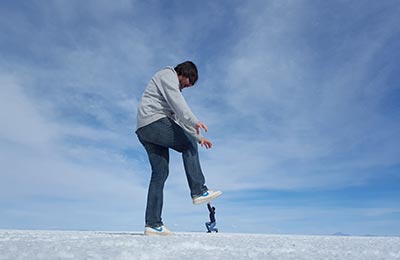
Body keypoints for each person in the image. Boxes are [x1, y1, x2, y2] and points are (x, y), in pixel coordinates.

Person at [135, 61, 222, 236]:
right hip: (154, 122)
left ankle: (153, 224)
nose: (183, 88)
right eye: (185, 83)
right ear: (183, 73)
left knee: (160, 174)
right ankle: (199, 191)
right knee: (187, 144)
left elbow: (179, 119)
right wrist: (195, 121)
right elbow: (179, 104)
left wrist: (199, 138)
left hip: (144, 129)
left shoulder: (168, 87)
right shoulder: (168, 75)